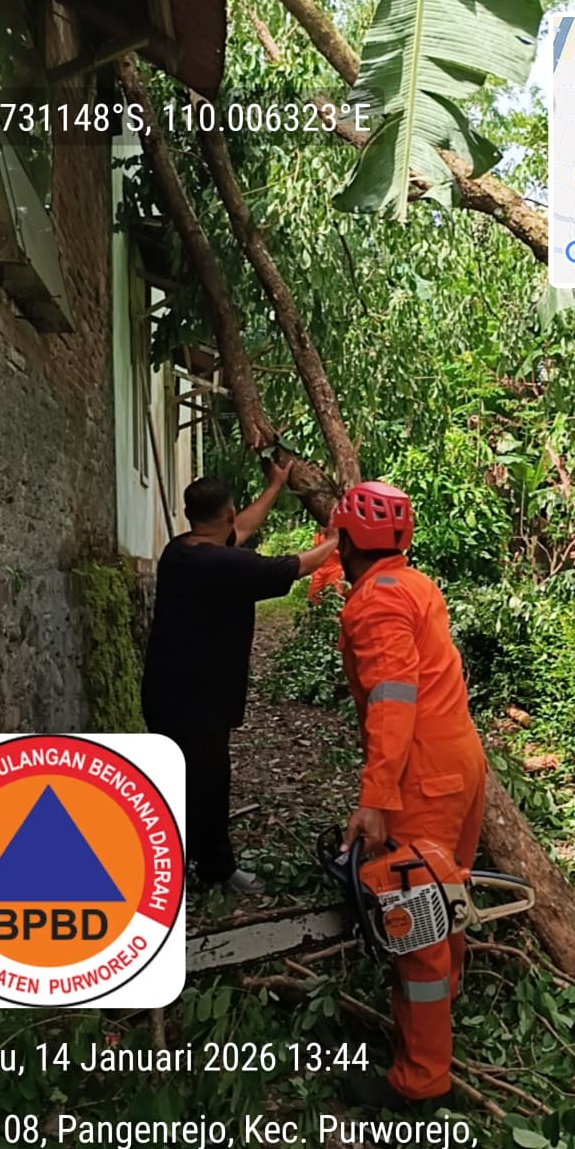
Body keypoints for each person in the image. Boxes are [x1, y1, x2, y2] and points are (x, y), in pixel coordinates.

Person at [331, 481, 487, 1108]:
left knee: (414, 918)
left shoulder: (374, 602)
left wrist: (374, 798)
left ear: (347, 541)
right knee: (446, 897)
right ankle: (441, 1015)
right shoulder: (415, 584)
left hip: (422, 777)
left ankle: (422, 1079)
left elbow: (392, 701)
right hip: (460, 763)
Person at [142, 464, 339, 894]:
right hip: (198, 703)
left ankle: (174, 858)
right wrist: (337, 539)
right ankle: (215, 868)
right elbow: (296, 566)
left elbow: (242, 528)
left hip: (166, 693)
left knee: (178, 781)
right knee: (209, 784)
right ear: (226, 512)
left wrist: (275, 485)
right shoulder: (224, 564)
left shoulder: (180, 551)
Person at [306, 526, 346, 604]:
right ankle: (315, 609)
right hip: (319, 569)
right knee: (313, 595)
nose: (323, 528)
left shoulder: (338, 539)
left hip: (335, 569)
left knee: (333, 594)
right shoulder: (317, 537)